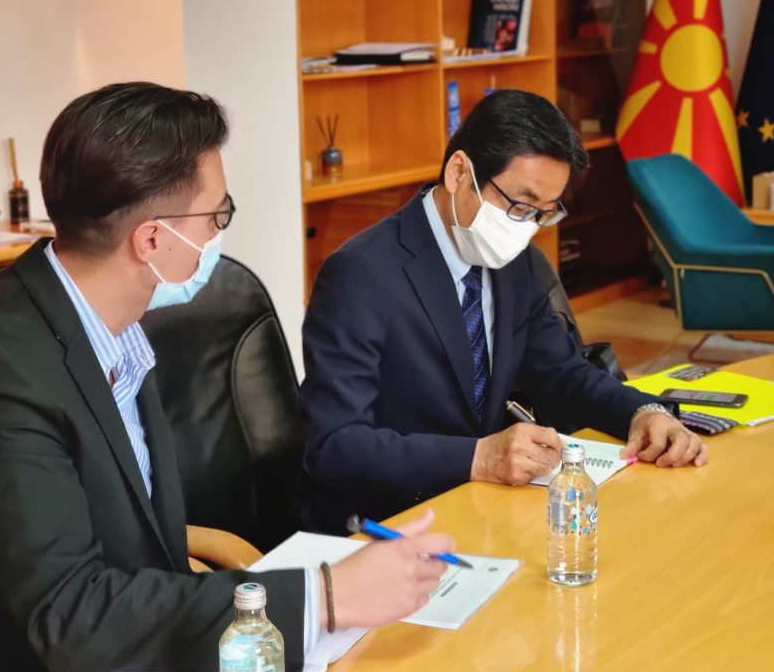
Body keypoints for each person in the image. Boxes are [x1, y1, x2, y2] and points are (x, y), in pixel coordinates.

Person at [0, 83, 454, 672]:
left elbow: (147, 554)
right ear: (152, 239)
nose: (217, 235)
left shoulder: (116, 325)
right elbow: (69, 616)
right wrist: (326, 597)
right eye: (216, 216)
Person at [300, 89, 708, 535]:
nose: (526, 228)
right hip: (391, 520)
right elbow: (334, 443)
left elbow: (561, 372)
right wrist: (478, 457)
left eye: (543, 214)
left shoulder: (515, 261)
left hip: (487, 506)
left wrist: (642, 413)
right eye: (518, 206)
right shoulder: (361, 273)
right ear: (459, 172)